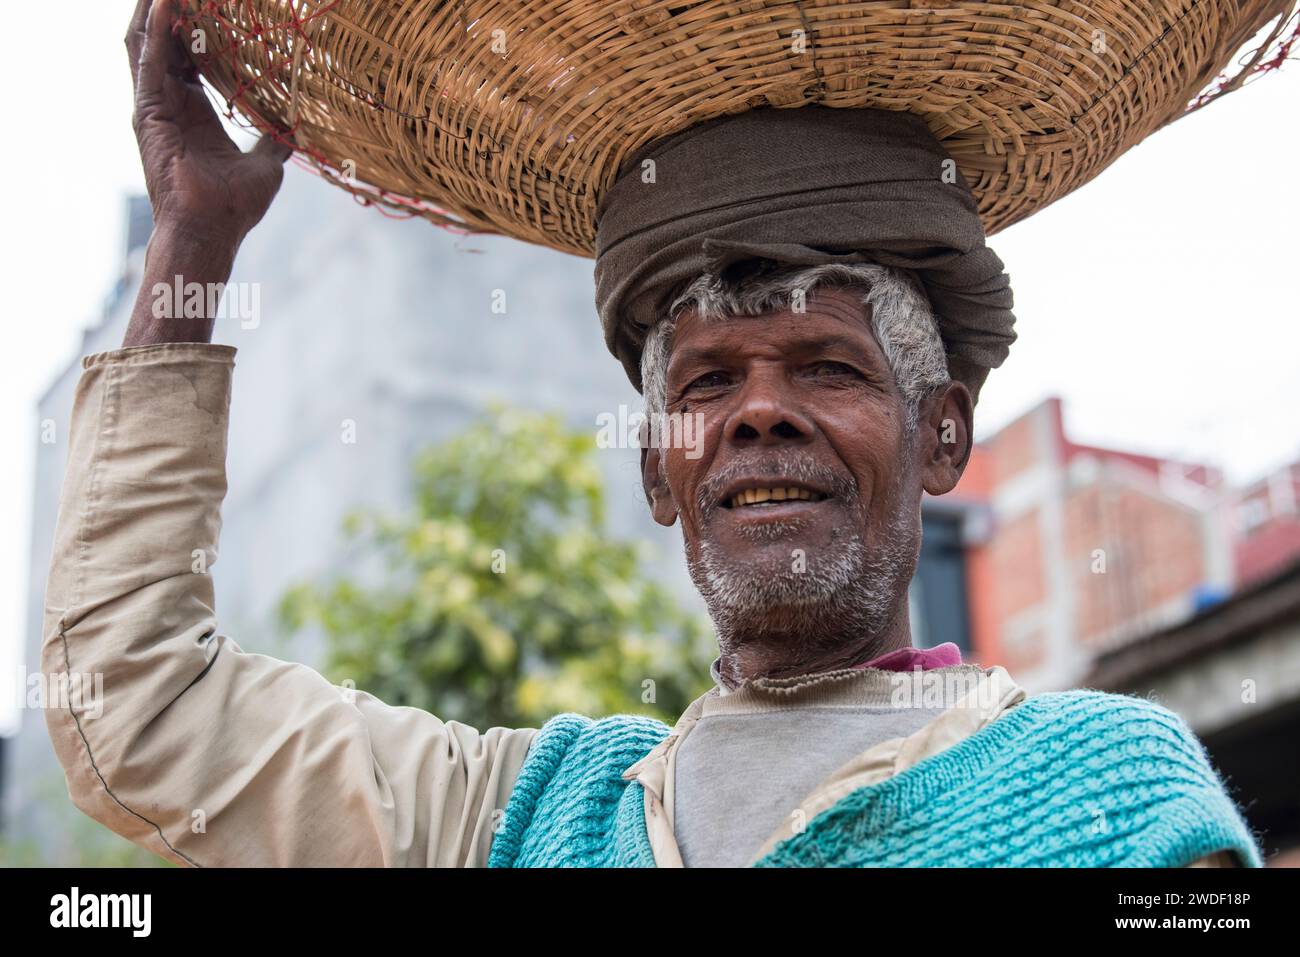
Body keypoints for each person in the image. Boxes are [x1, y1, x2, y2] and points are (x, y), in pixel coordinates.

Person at [40, 0, 1258, 867]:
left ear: (941, 438)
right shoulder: (526, 819)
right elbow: (139, 707)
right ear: (657, 468)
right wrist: (191, 246)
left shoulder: (1105, 794)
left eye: (827, 367)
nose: (758, 412)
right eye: (708, 379)